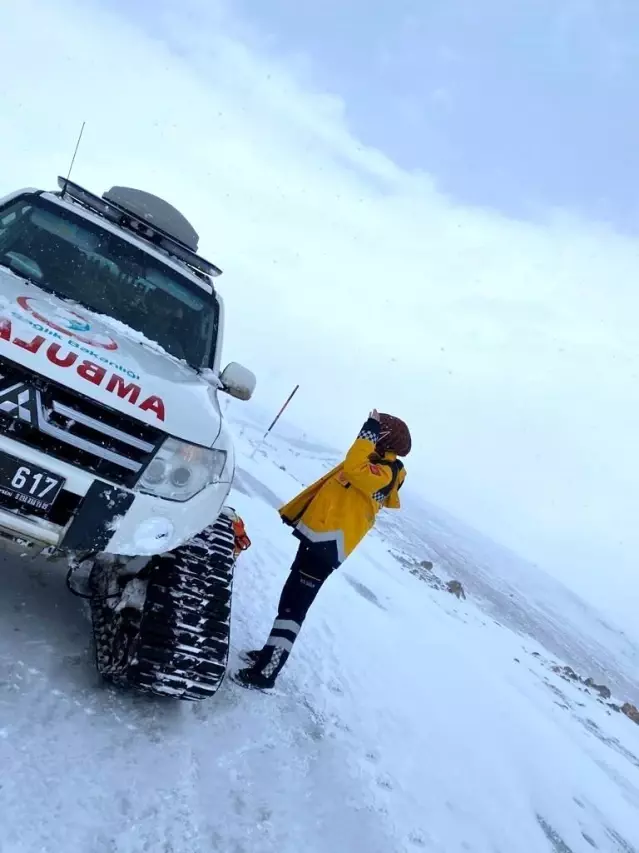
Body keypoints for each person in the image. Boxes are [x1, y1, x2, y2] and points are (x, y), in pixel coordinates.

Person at [232, 409, 411, 690]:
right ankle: (268, 655)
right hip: (318, 541)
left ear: (385, 439)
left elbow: (353, 468)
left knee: (294, 609)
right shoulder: (374, 464)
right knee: (289, 602)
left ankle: (266, 673)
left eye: (379, 433)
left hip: (327, 546)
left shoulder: (385, 473)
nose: (373, 437)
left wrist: (368, 430)